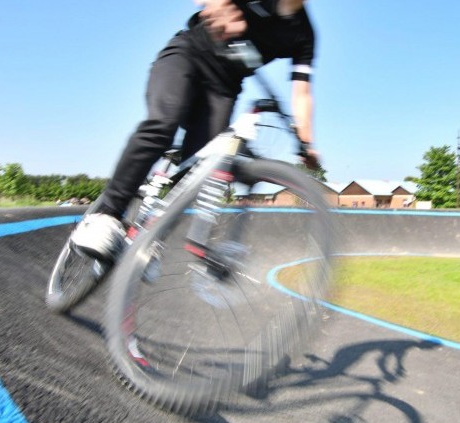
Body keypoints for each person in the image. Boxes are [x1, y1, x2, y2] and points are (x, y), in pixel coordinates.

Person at [71, 0, 318, 261]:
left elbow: (301, 91)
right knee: (162, 125)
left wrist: (306, 141)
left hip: (223, 90)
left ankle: (151, 237)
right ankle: (106, 215)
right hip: (187, 56)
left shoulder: (303, 33)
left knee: (200, 172)